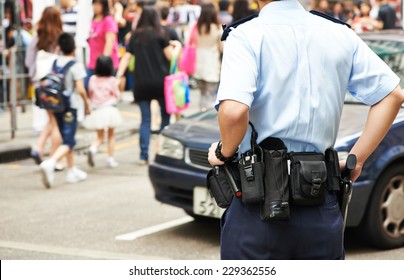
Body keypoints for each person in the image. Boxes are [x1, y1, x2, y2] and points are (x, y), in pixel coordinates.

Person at [208, 0, 403, 260]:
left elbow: (233, 112)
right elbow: (391, 95)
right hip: (321, 203)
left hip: (258, 208)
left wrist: (222, 153)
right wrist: (358, 159)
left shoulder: (246, 35)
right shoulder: (339, 33)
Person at [116, 6, 182, 165]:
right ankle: (161, 154)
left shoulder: (135, 36)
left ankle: (143, 156)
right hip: (160, 84)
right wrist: (177, 47)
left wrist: (118, 76)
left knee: (145, 120)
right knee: (165, 118)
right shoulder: (163, 33)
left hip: (141, 84)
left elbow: (126, 58)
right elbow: (170, 56)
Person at [39, 33, 92, 188]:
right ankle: (51, 162)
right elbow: (81, 89)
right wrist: (87, 103)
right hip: (70, 107)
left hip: (56, 105)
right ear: (74, 48)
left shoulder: (55, 62)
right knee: (69, 140)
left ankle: (71, 170)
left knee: (66, 137)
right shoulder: (76, 65)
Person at [25, 6, 63, 168]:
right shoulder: (59, 39)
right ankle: (53, 160)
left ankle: (39, 149)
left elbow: (28, 61)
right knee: (57, 123)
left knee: (51, 119)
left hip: (40, 85)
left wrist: (35, 79)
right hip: (55, 86)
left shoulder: (38, 37)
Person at [84, 55, 122, 168]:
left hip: (97, 110)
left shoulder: (92, 79)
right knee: (111, 135)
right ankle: (110, 159)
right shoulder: (112, 80)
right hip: (110, 110)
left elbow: (90, 94)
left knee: (100, 137)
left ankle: (93, 148)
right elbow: (117, 95)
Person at [194, 3, 223, 111]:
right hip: (212, 65)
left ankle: (201, 112)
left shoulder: (197, 28)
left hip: (199, 65)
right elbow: (222, 48)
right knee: (211, 95)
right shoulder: (217, 29)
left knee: (202, 94)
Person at [87, 0, 119, 89]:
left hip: (104, 65)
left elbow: (110, 42)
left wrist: (103, 62)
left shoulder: (108, 20)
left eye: (98, 4)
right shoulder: (92, 20)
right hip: (92, 62)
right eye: (94, 3)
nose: (96, 6)